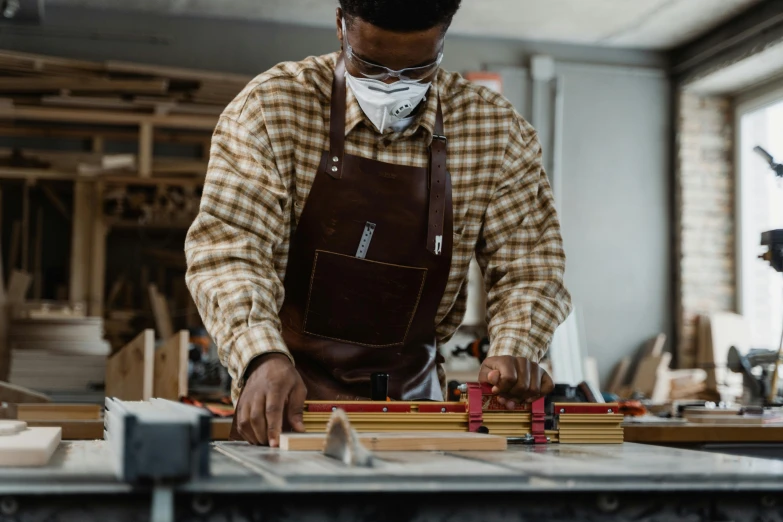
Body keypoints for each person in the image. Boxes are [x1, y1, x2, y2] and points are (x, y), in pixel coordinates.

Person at [185, 0, 573, 447]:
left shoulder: (496, 132)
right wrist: (260, 356)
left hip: (420, 417)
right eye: (370, 65)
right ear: (340, 26)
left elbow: (530, 265)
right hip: (284, 410)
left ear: (443, 38)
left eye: (417, 69)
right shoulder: (271, 107)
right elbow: (230, 250)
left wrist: (515, 347)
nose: (392, 83)